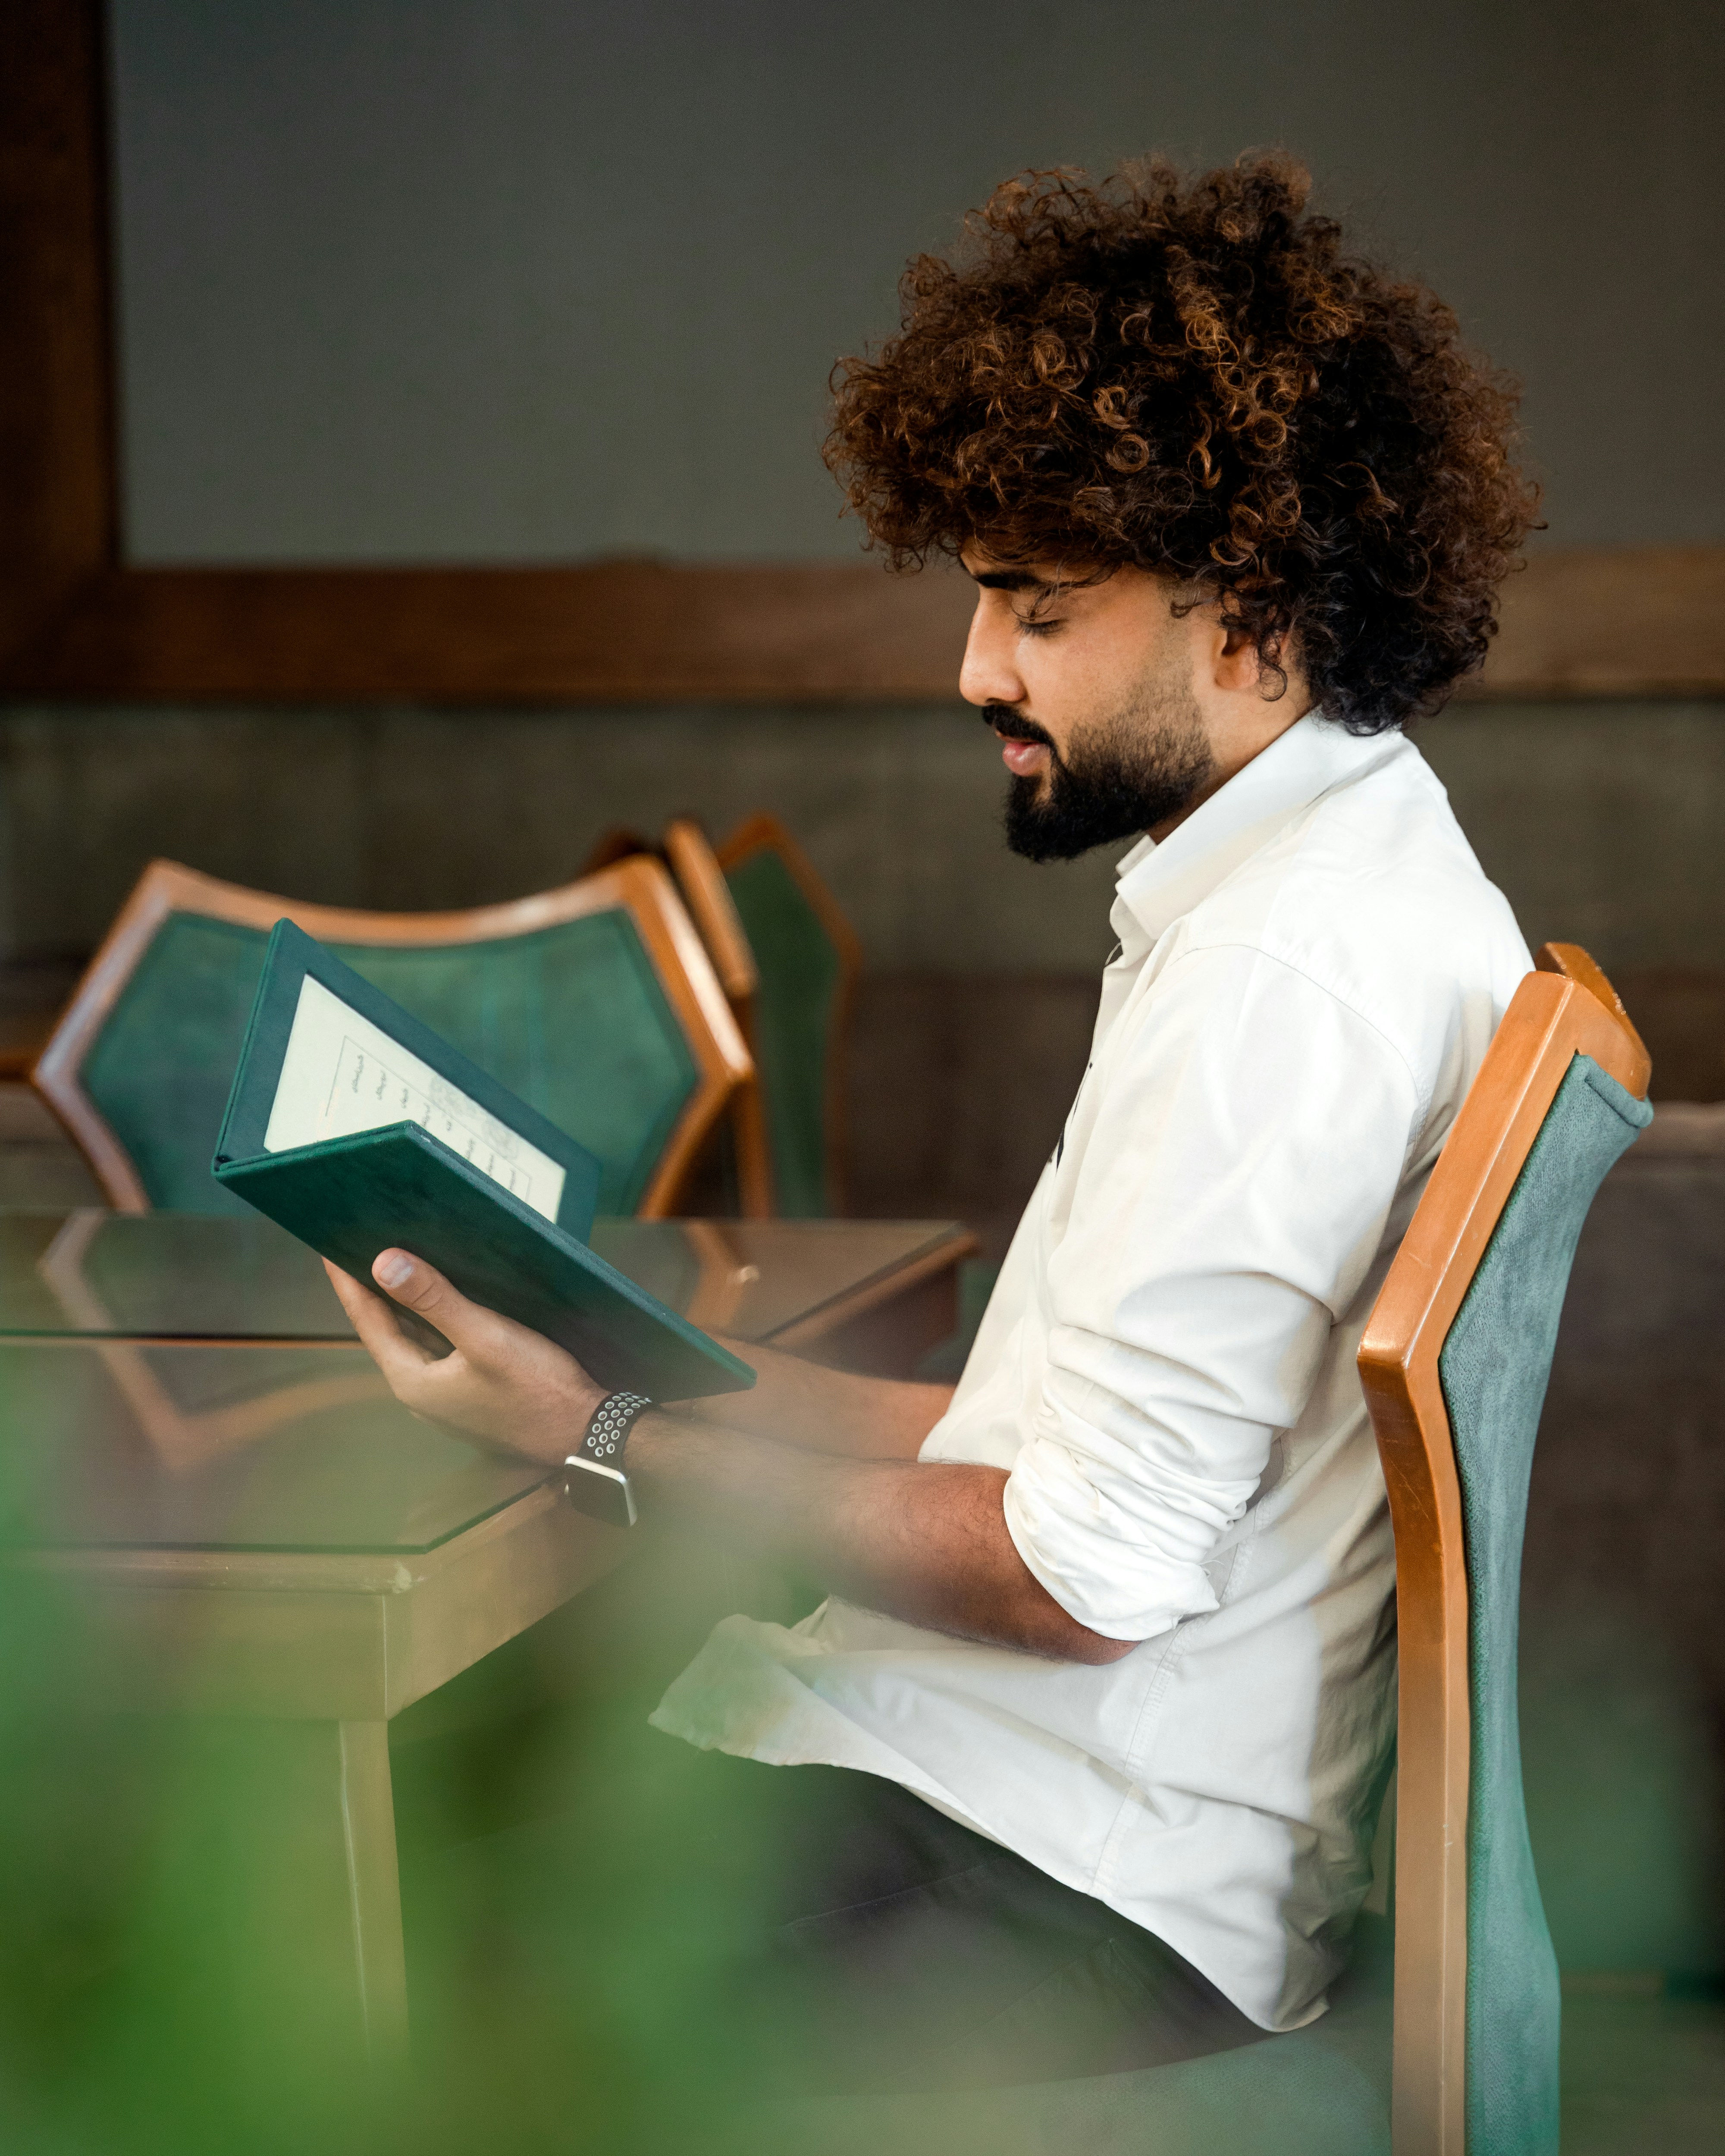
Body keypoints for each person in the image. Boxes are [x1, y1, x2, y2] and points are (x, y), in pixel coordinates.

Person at [329, 152, 1537, 2093]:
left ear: (1245, 606)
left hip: (1063, 1887)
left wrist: (597, 1437)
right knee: (448, 1816)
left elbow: (1080, 1570)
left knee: (353, 1913)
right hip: (1073, 1819)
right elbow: (1068, 1453)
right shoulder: (1348, 880)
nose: (973, 668)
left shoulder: (1276, 982)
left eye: (1033, 607)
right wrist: (642, 1384)